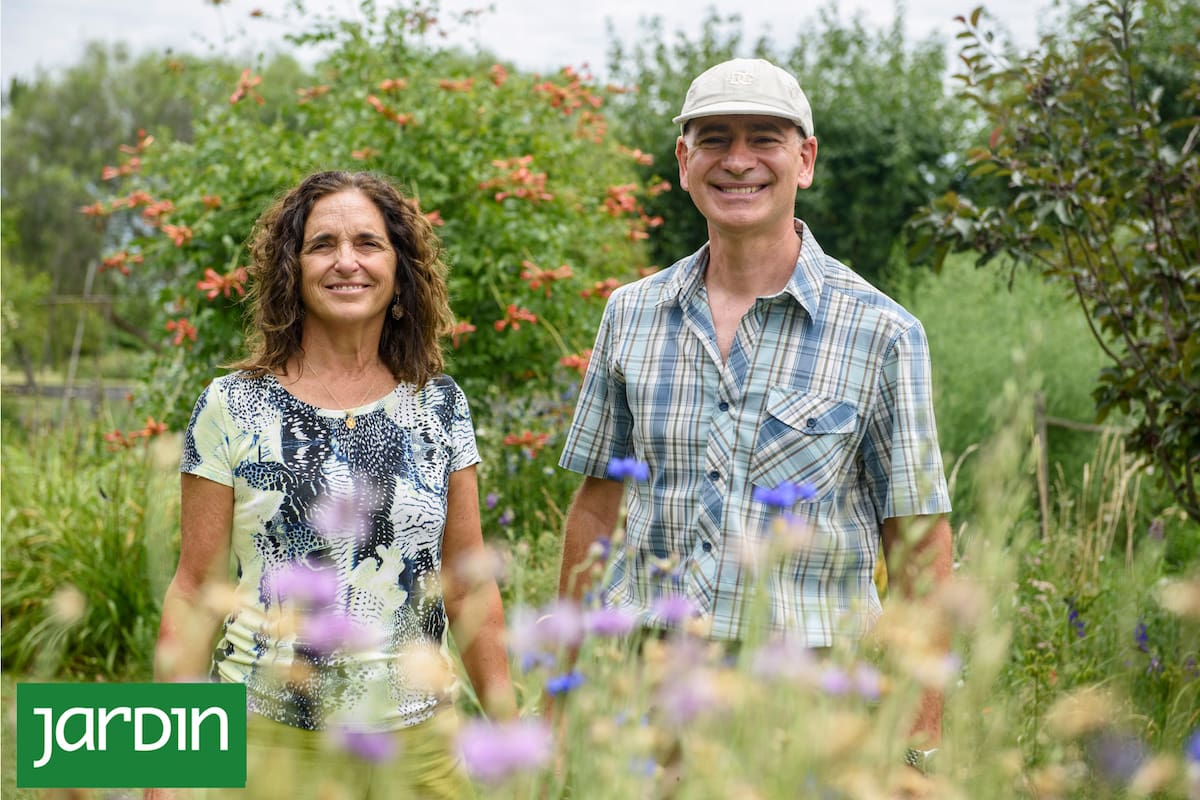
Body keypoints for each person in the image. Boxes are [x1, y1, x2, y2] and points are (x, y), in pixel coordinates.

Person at [556, 58, 953, 767]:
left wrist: (919, 739)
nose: (738, 160)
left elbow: (919, 544)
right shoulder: (631, 316)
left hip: (812, 701)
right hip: (650, 693)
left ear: (804, 160)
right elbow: (596, 508)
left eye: (764, 138)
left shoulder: (884, 332)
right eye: (714, 139)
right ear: (684, 161)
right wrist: (562, 694)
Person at [151, 170, 515, 799]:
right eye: (322, 244)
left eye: (368, 243)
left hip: (420, 748)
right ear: (293, 269)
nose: (346, 261)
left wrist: (509, 730)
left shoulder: (442, 407)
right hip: (264, 740)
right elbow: (194, 586)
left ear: (399, 269)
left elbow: (467, 584)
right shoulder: (230, 405)